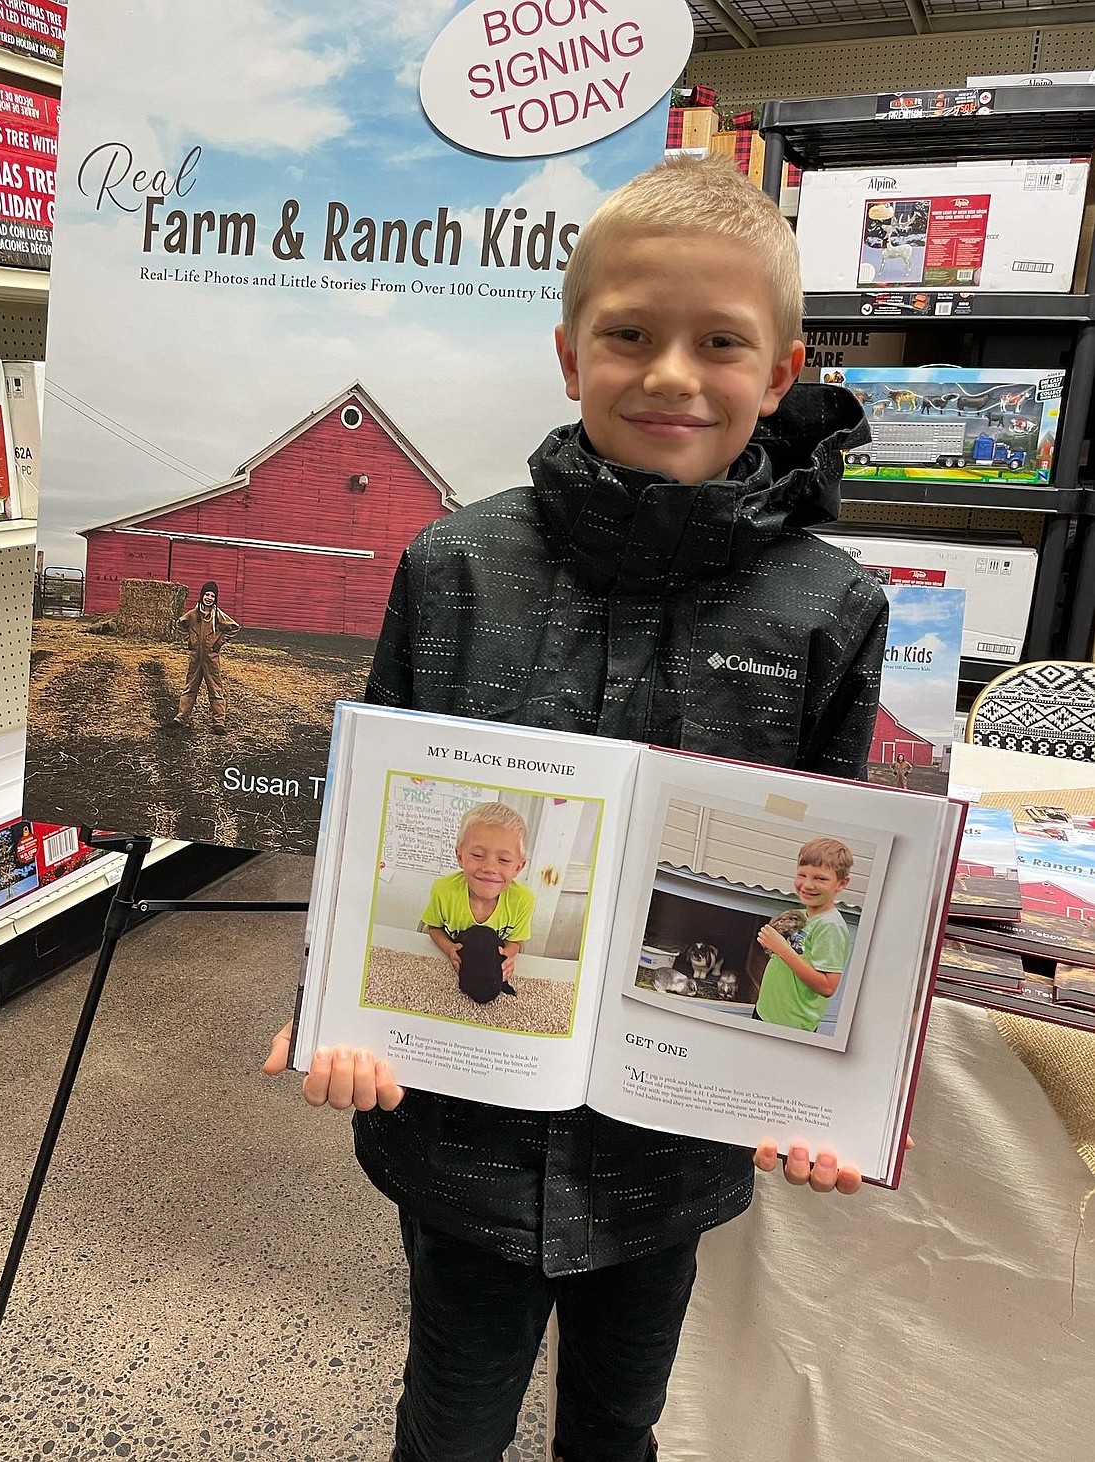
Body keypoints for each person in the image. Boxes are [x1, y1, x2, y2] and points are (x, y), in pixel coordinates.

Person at [265, 153, 889, 1462]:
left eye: (718, 342)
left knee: (617, 1420)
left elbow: (831, 867)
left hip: (668, 1144)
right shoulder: (452, 568)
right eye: (628, 335)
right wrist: (339, 1004)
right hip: (461, 1127)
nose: (670, 373)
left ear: (777, 372)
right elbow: (372, 821)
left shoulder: (823, 609)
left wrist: (815, 1085)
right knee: (450, 1414)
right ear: (567, 353)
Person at [422, 802, 534, 1003]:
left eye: (504, 860)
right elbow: (434, 928)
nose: (490, 867)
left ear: (518, 867)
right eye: (477, 855)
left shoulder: (523, 900)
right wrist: (448, 948)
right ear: (460, 856)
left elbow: (516, 941)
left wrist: (508, 956)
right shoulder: (443, 890)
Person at [754, 836, 854, 1032]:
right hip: (766, 1012)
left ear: (841, 883)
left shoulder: (830, 926)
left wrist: (782, 948)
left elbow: (827, 987)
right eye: (802, 875)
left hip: (791, 1026)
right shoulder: (800, 915)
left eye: (820, 878)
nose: (807, 885)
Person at [170, 579, 240, 734]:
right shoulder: (193, 614)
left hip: (211, 659)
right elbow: (180, 624)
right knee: (190, 688)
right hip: (195, 658)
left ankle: (218, 722)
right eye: (206, 594)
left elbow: (234, 628)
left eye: (212, 596)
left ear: (216, 599)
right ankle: (181, 718)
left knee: (215, 689)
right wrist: (190, 639)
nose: (209, 598)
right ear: (201, 596)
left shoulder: (218, 615)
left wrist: (219, 642)